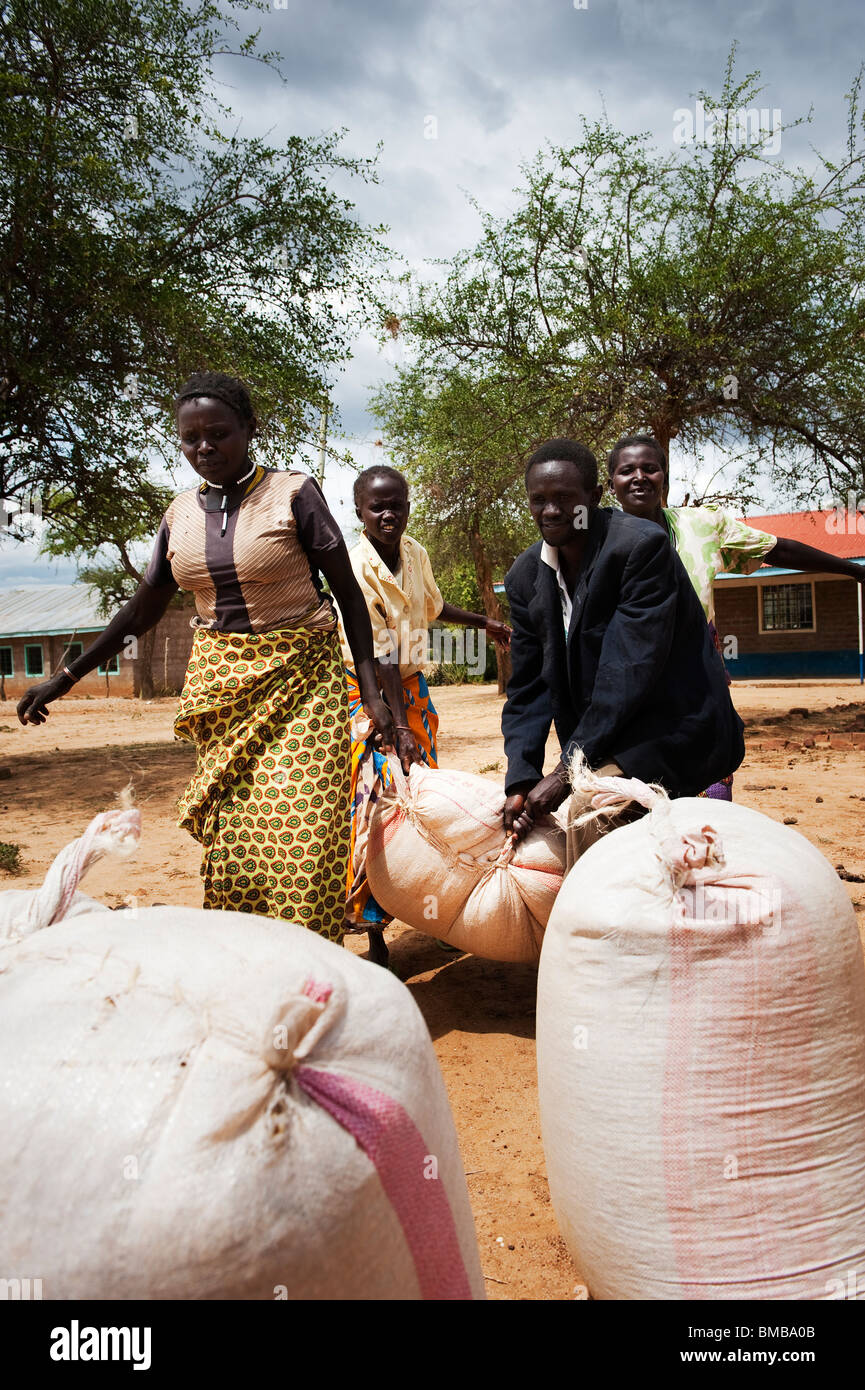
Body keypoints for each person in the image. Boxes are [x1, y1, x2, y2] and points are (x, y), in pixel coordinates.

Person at [17, 371, 393, 944]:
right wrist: (63, 677)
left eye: (218, 434)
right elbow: (140, 612)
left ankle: (312, 969)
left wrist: (370, 691)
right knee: (239, 845)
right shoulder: (179, 515)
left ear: (249, 429)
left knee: (305, 837)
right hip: (224, 692)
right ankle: (245, 964)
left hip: (303, 681)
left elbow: (346, 593)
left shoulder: (293, 493)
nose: (204, 448)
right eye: (190, 439)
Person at [501, 438, 744, 862]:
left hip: (671, 727)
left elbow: (627, 673)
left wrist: (565, 773)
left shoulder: (640, 548)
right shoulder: (525, 578)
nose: (551, 511)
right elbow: (527, 688)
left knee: (591, 812)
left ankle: (597, 926)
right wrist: (521, 780)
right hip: (604, 738)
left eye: (564, 498)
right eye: (538, 500)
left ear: (594, 498)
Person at [607, 434, 865, 799]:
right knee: (639, 808)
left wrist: (855, 571)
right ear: (611, 484)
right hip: (631, 691)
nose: (639, 477)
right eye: (626, 470)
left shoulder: (702, 526)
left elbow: (778, 550)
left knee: (712, 802)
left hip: (701, 685)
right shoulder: (596, 545)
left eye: (650, 468)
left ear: (664, 476)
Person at [338, 465, 511, 955]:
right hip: (367, 692)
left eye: (397, 504)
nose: (389, 514)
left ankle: (429, 908)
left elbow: (430, 610)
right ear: (360, 513)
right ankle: (373, 931)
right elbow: (381, 653)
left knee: (425, 798)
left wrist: (482, 621)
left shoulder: (415, 554)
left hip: (412, 692)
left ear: (409, 506)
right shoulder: (357, 566)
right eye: (378, 507)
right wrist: (392, 726)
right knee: (378, 801)